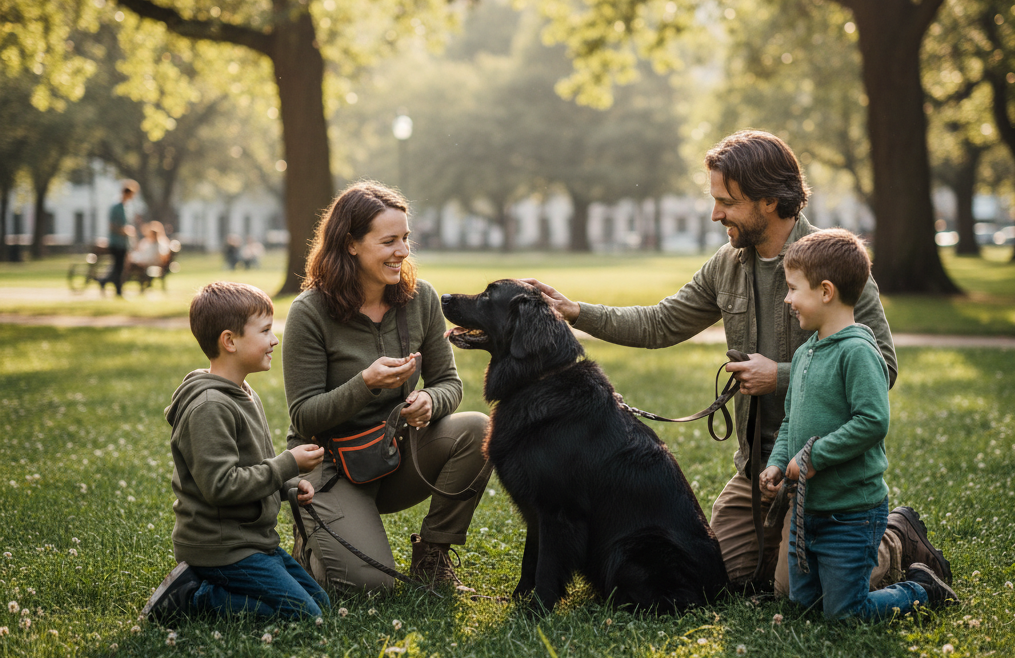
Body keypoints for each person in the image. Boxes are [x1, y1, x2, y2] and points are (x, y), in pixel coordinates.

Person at [527, 130, 951, 596]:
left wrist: (781, 376)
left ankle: (895, 538)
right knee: (721, 576)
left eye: (727, 201)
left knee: (799, 590)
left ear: (768, 200)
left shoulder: (834, 261)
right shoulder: (727, 263)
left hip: (819, 471)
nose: (716, 214)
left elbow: (884, 365)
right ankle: (786, 544)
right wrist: (576, 312)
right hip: (757, 470)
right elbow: (661, 322)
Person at [282, 181, 491, 594]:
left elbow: (449, 383)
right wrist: (364, 384)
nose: (403, 252)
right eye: (389, 241)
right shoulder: (309, 312)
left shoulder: (421, 299)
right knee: (371, 586)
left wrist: (430, 400)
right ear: (351, 244)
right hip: (331, 467)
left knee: (478, 428)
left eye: (406, 239)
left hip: (395, 455)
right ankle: (310, 542)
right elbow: (303, 416)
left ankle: (433, 556)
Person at [760, 229, 957, 616]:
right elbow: (790, 421)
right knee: (804, 605)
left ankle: (920, 590)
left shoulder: (858, 351)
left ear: (826, 292)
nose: (787, 299)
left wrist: (814, 457)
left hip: (851, 512)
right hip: (807, 512)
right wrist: (777, 463)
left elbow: (872, 421)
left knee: (845, 613)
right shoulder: (805, 354)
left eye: (793, 288)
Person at [142, 281, 330, 622]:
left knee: (322, 604)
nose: (275, 339)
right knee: (303, 617)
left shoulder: (244, 393)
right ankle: (195, 596)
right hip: (222, 547)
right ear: (229, 341)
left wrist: (289, 488)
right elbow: (222, 486)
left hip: (255, 540)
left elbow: (253, 469)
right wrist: (289, 464)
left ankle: (211, 587)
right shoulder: (209, 407)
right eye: (265, 331)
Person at [99, 180, 138, 296]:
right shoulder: (116, 207)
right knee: (118, 267)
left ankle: (113, 287)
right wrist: (125, 231)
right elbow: (112, 226)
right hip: (116, 242)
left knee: (119, 268)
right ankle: (112, 286)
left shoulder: (127, 207)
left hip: (124, 243)